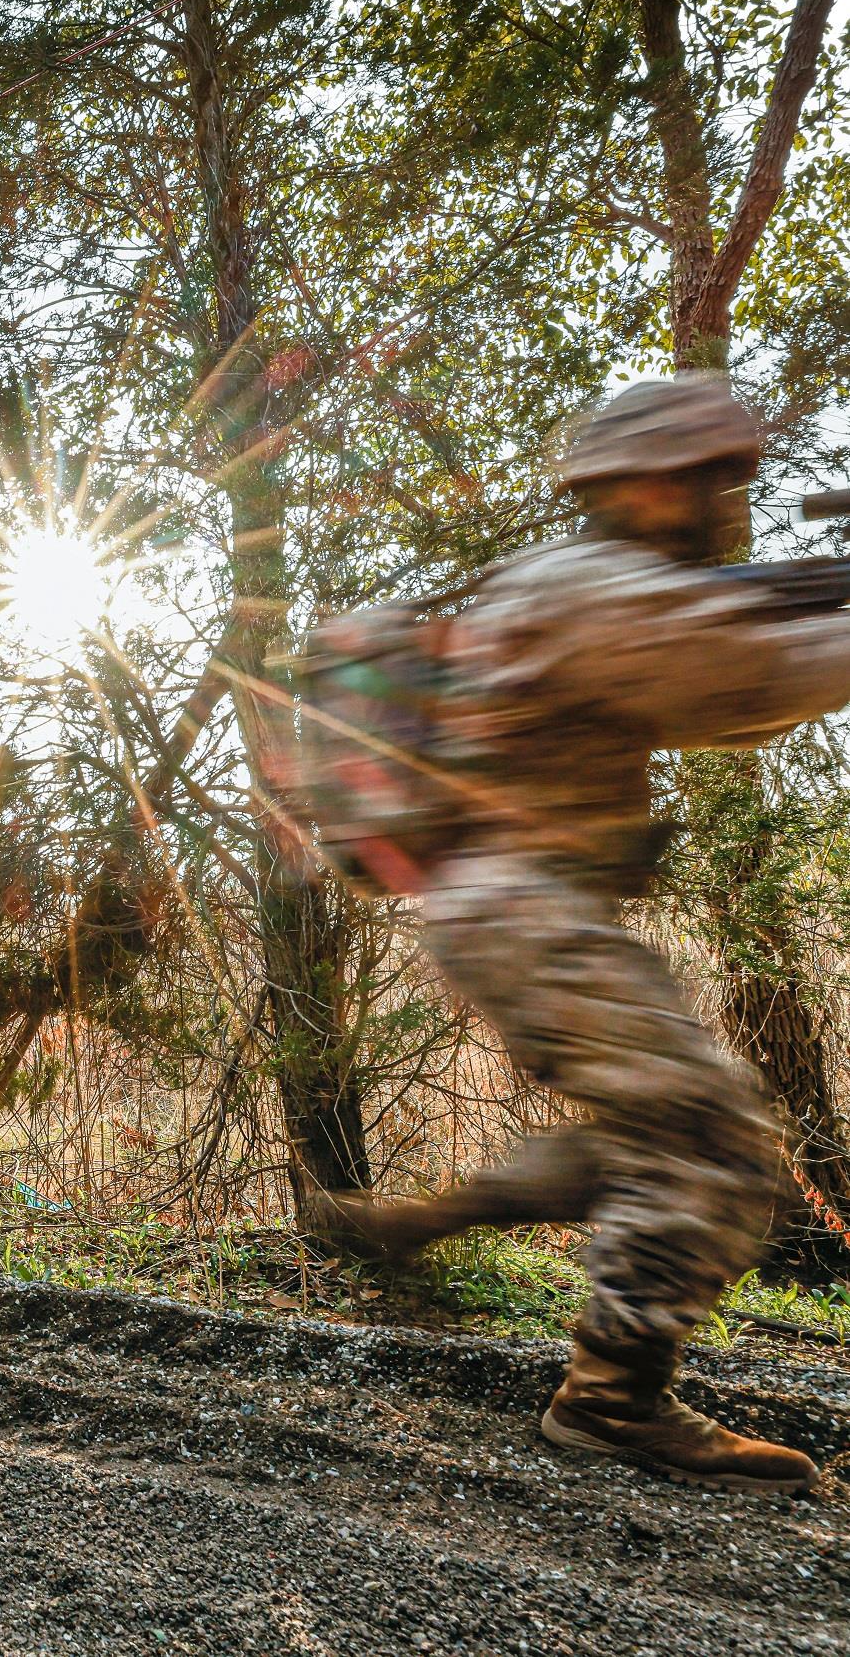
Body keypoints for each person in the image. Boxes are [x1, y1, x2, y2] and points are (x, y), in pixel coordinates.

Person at [308, 375, 850, 1492]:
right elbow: (747, 680)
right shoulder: (588, 587)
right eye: (712, 479)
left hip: (515, 908)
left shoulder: (580, 581)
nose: (728, 504)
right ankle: (611, 1399)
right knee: (716, 1140)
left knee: (661, 1126)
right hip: (522, 911)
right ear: (649, 484)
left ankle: (431, 1215)